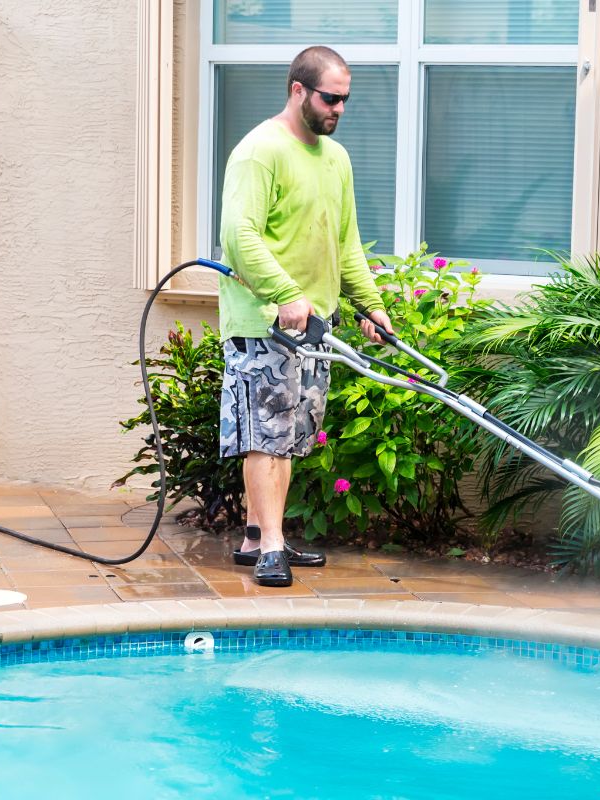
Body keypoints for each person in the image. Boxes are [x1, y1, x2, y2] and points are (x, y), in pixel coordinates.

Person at [218, 46, 394, 587]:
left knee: (291, 435)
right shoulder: (259, 152)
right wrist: (286, 294)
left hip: (313, 327)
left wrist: (372, 305)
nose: (339, 109)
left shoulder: (336, 159)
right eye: (330, 98)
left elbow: (346, 243)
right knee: (262, 436)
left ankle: (257, 536)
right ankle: (272, 545)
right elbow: (239, 236)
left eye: (345, 100)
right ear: (298, 90)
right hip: (264, 323)